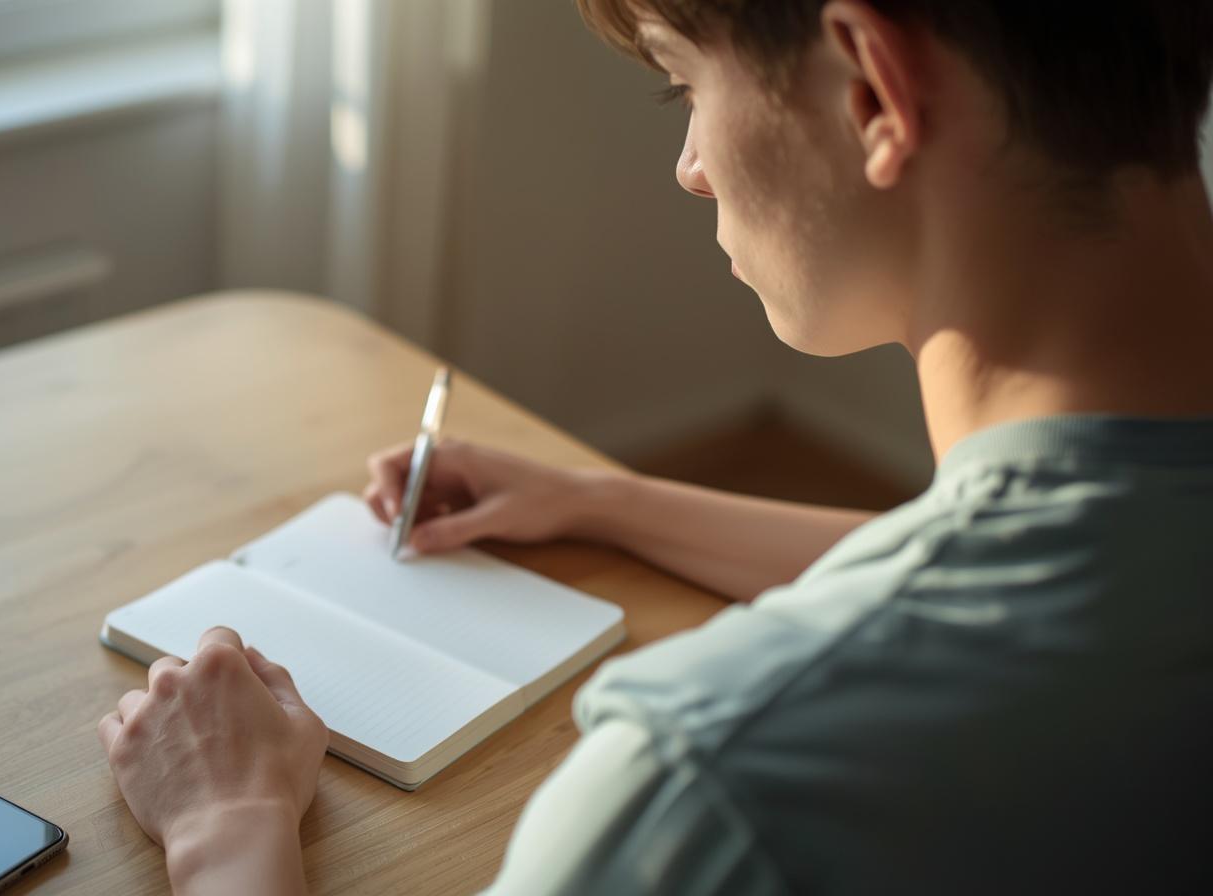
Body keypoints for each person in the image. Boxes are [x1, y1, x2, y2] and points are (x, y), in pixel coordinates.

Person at [96, 0, 1213, 892]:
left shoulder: (710, 783)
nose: (688, 165)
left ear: (871, 87)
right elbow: (1051, 558)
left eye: (684, 81)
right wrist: (601, 500)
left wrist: (227, 829)